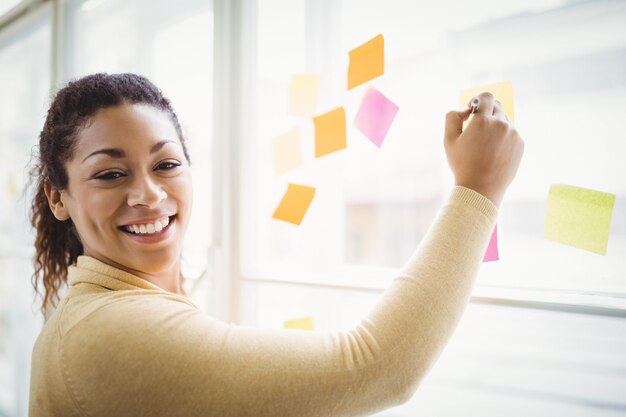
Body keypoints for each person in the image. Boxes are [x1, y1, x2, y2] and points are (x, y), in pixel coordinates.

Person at [28, 73, 523, 417]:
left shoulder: (110, 306)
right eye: (111, 174)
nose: (149, 195)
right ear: (59, 197)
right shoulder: (111, 332)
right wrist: (479, 187)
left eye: (166, 164)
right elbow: (378, 366)